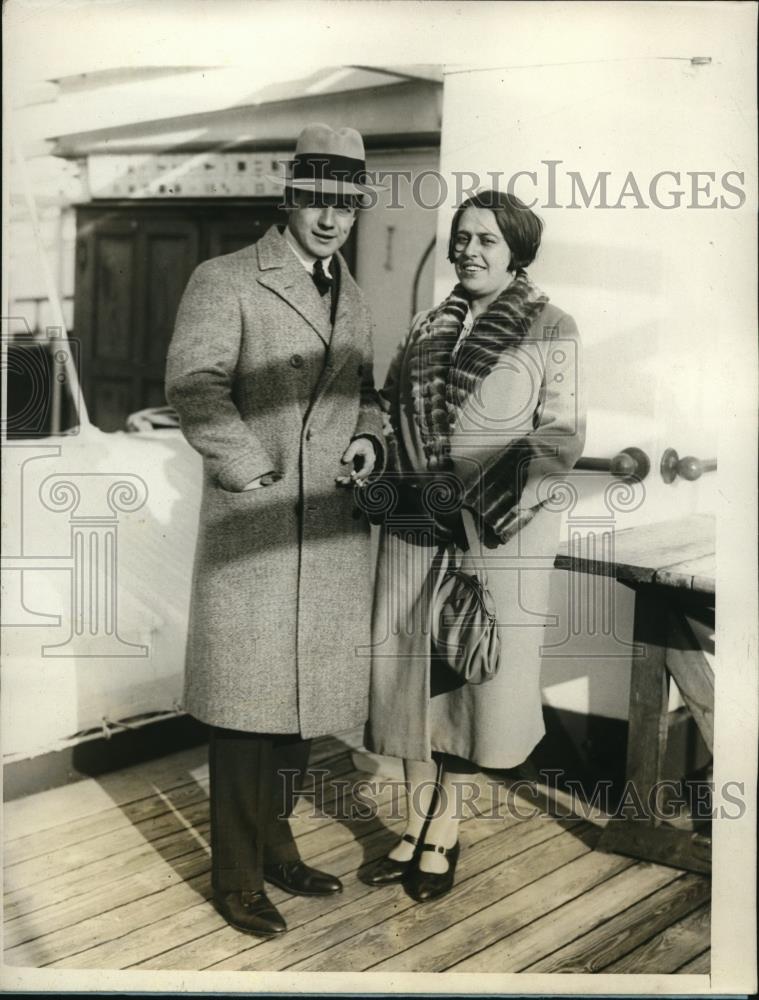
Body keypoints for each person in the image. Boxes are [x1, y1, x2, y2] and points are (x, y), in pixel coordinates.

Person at [165, 123, 384, 937]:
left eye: (346, 204)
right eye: (316, 199)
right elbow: (194, 386)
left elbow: (363, 390)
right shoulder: (224, 279)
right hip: (255, 528)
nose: (330, 219)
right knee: (245, 712)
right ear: (290, 196)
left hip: (325, 528)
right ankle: (235, 876)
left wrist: (367, 432)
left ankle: (277, 848)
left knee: (296, 711)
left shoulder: (352, 294)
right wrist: (250, 466)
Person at [363, 190, 586, 902]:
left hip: (492, 533)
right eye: (461, 238)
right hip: (411, 524)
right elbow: (384, 397)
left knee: (466, 677)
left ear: (516, 250)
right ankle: (413, 821)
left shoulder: (551, 325)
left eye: (486, 240)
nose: (468, 251)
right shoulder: (429, 324)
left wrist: (477, 497)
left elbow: (562, 434)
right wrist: (375, 443)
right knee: (405, 675)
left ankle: (446, 825)